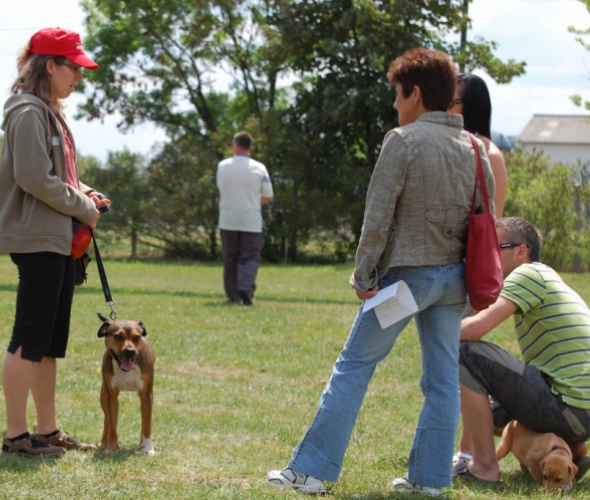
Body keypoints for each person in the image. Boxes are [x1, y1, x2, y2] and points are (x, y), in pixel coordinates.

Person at [266, 47, 495, 496]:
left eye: (397, 94)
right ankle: (429, 482)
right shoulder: (474, 146)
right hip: (453, 285)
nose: (394, 104)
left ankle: (310, 472)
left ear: (415, 94)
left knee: (353, 368)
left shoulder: (403, 140)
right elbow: (483, 220)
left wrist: (363, 278)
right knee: (442, 382)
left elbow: (377, 220)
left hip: (407, 282)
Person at [0, 27, 110, 457]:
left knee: (49, 342)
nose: (79, 76)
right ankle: (16, 435)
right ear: (50, 66)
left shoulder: (47, 112)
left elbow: (57, 177)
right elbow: (34, 178)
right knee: (29, 337)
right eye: (73, 67)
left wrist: (85, 194)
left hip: (54, 237)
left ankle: (47, 429)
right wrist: (82, 206)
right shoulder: (27, 112)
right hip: (37, 237)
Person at [453, 217, 590, 483]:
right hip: (579, 413)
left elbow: (475, 329)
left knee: (463, 352)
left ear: (521, 251)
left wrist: (434, 331)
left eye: (495, 248)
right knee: (484, 412)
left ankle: (483, 466)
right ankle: (568, 448)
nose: (487, 256)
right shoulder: (546, 278)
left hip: (569, 409)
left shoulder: (528, 274)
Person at [216, 131, 273, 306]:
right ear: (249, 147)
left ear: (236, 145)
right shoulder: (259, 168)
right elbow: (269, 196)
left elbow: (222, 189)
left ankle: (233, 295)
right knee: (249, 257)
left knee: (230, 257)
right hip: (251, 221)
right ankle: (245, 287)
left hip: (228, 220)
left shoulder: (223, 166)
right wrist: (254, 201)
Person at [448, 73, 508, 218]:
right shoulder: (442, 145)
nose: (441, 109)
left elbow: (494, 221)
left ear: (471, 106)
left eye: (450, 102)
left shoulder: (490, 155)